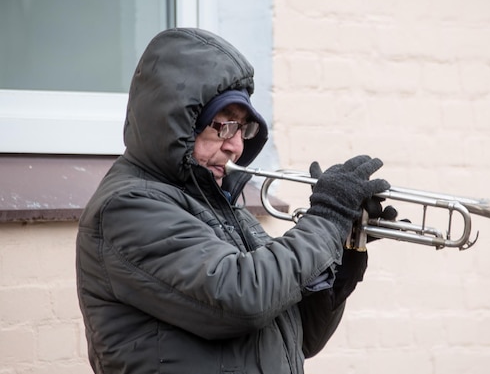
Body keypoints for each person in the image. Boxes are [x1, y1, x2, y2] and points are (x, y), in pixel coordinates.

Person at [76, 27, 394, 374]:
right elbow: (241, 297)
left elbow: (302, 337)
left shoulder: (220, 204)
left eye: (242, 128)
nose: (237, 146)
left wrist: (344, 247)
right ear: (175, 122)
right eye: (223, 126)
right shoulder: (129, 208)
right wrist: (327, 219)